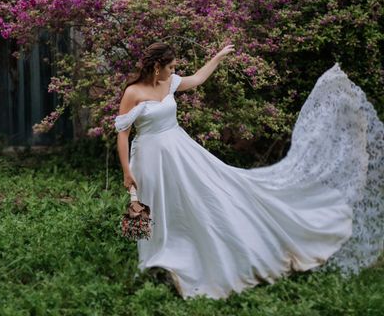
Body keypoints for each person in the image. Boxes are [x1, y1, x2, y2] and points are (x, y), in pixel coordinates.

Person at [116, 42, 383, 299]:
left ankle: (194, 248)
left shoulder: (169, 83)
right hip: (149, 156)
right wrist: (127, 171)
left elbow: (197, 79)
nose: (174, 71)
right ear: (156, 67)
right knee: (156, 203)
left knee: (197, 195)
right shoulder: (133, 93)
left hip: (179, 149)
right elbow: (123, 135)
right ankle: (156, 258)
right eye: (171, 67)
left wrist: (218, 57)